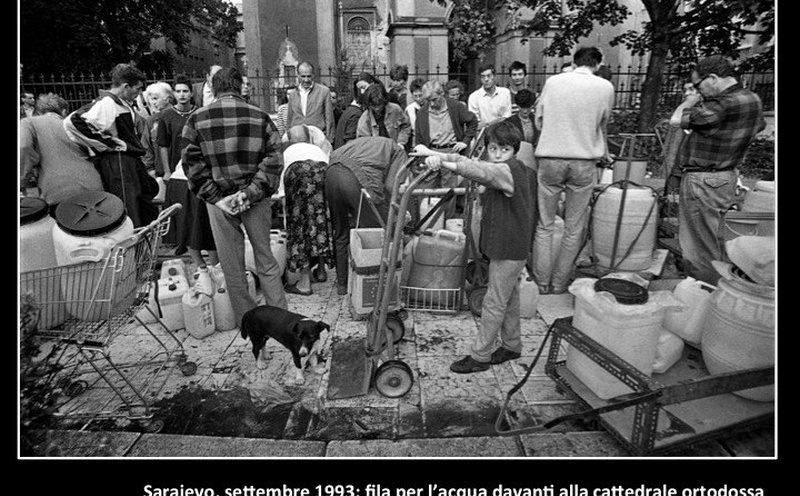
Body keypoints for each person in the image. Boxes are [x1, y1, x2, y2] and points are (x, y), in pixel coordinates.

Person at [412, 120, 537, 374]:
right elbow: (473, 162)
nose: (498, 154)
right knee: (509, 296)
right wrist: (431, 153)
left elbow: (478, 171)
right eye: (493, 149)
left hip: (510, 248)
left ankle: (480, 356)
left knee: (494, 301)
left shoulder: (508, 170)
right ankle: (512, 345)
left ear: (514, 150)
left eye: (504, 149)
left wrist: (442, 163)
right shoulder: (507, 166)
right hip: (510, 245)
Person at [182, 66, 287, 328]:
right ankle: (281, 323)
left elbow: (192, 167)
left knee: (233, 269)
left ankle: (248, 324)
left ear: (214, 89)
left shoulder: (196, 120)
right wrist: (249, 193)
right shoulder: (260, 117)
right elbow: (274, 160)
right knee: (266, 261)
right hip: (255, 199)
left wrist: (217, 198)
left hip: (219, 204)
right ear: (239, 87)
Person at [669, 54, 766, 285]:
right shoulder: (752, 98)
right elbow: (759, 125)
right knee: (714, 239)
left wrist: (689, 101)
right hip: (727, 177)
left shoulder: (722, 104)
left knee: (698, 247)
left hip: (704, 179)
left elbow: (676, 120)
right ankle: (718, 289)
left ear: (712, 78)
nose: (698, 90)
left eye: (698, 85)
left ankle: (704, 294)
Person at [532, 46, 614, 295]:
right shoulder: (605, 87)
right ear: (597, 64)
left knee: (545, 225)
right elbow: (603, 122)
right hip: (583, 162)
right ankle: (559, 283)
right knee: (573, 227)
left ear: (574, 61)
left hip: (551, 158)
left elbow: (538, 119)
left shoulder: (553, 82)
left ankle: (541, 283)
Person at [63, 63, 158, 227]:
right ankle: (129, 247)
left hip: (127, 161)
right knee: (128, 208)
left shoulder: (119, 103)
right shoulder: (107, 103)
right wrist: (108, 144)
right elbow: (72, 121)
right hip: (119, 163)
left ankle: (141, 245)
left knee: (142, 206)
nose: (139, 93)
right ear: (126, 86)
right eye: (138, 88)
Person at [325, 136, 410, 295]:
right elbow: (392, 187)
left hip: (331, 173)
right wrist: (400, 212)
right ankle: (375, 286)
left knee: (341, 232)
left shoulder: (370, 142)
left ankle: (342, 285)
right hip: (354, 178)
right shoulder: (399, 152)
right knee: (375, 232)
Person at [157, 73, 218, 268]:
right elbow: (163, 145)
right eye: (178, 91)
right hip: (177, 170)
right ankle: (183, 246)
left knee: (198, 215)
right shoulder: (166, 116)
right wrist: (166, 170)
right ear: (173, 94)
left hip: (197, 169)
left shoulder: (199, 113)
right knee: (183, 214)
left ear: (192, 93)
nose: (182, 95)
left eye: (185, 91)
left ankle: (203, 253)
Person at [20, 93, 104, 210]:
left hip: (56, 190)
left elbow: (23, 147)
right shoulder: (74, 124)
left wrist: (22, 181)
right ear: (64, 111)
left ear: (39, 111)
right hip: (92, 185)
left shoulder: (29, 123)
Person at [280, 125, 333, 296]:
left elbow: (280, 190)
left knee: (299, 227)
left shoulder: (287, 152)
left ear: (290, 140)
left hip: (297, 174)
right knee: (320, 221)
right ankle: (321, 271)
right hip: (324, 172)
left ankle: (304, 283)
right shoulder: (318, 150)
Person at [413, 80, 478, 189]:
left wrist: (465, 141)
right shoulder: (422, 112)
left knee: (449, 192)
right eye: (429, 100)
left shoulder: (455, 106)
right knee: (427, 191)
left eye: (434, 100)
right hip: (431, 152)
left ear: (442, 94)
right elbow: (419, 137)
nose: (432, 104)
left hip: (451, 151)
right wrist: (421, 159)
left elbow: (473, 121)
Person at [286, 61, 336, 143]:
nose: (306, 80)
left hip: (317, 138)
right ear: (298, 76)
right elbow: (290, 119)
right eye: (303, 76)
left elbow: (329, 118)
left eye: (309, 76)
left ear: (313, 75)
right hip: (298, 139)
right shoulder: (293, 94)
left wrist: (329, 139)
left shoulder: (323, 92)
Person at [356, 83, 411, 149]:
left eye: (379, 105)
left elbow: (406, 126)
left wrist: (401, 142)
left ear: (384, 101)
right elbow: (362, 142)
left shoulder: (395, 110)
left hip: (395, 151)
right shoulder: (365, 119)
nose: (377, 108)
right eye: (374, 106)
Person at [333, 73, 377, 150]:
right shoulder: (357, 114)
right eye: (361, 88)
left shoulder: (350, 111)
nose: (363, 92)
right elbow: (350, 141)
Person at [141, 81, 173, 179]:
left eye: (155, 98)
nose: (152, 103)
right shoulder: (151, 120)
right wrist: (150, 169)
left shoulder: (178, 116)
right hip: (160, 173)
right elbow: (146, 146)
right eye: (150, 99)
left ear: (167, 99)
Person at [468, 63, 513, 129]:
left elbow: (507, 118)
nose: (486, 79)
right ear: (480, 79)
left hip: (502, 132)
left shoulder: (505, 93)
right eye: (483, 77)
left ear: (495, 76)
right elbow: (475, 124)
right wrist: (497, 121)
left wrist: (487, 124)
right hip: (483, 134)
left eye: (489, 76)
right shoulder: (474, 97)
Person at [404, 77, 427, 147]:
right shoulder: (409, 109)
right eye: (415, 96)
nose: (418, 99)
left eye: (420, 95)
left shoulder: (431, 106)